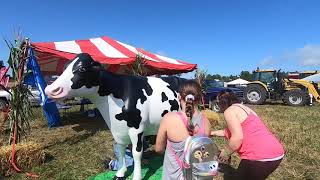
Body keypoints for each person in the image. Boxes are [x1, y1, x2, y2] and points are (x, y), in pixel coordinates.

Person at [211, 91, 285, 180]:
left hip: (259, 157)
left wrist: (226, 152)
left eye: (218, 103)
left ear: (222, 103)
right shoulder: (244, 108)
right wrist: (212, 133)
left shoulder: (229, 111)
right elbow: (233, 131)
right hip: (276, 154)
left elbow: (237, 138)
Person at [155, 80, 211, 180]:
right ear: (199, 99)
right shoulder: (206, 122)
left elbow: (158, 149)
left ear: (179, 97)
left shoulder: (168, 119)